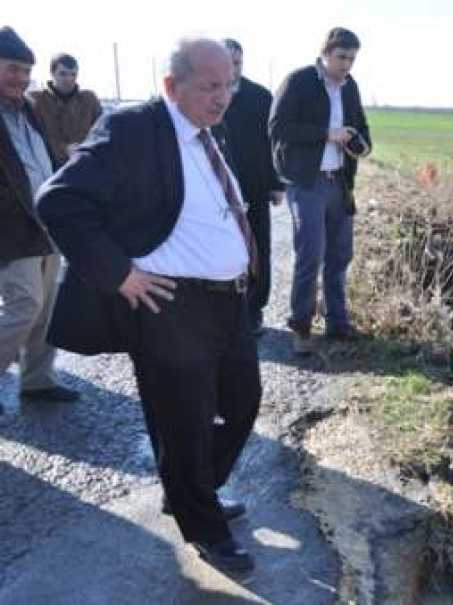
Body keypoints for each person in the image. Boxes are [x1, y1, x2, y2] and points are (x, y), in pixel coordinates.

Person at [37, 38, 260, 573]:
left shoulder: (207, 132)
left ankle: (191, 490)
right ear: (171, 85)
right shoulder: (136, 128)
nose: (223, 96)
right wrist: (119, 274)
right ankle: (203, 525)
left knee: (243, 402)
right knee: (183, 421)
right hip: (171, 305)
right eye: (210, 86)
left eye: (228, 84)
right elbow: (58, 200)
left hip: (228, 304)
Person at [269, 27, 371, 354]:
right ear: (325, 52)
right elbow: (278, 128)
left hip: (339, 182)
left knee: (340, 256)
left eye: (352, 58)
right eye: (342, 57)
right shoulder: (298, 81)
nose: (347, 65)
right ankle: (300, 326)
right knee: (310, 256)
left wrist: (362, 144)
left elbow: (361, 126)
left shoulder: (350, 86)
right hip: (307, 183)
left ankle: (338, 324)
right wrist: (328, 134)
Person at [0, 26, 80, 404]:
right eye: (11, 68)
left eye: (25, 70)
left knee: (48, 305)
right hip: (11, 229)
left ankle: (37, 379)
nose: (20, 77)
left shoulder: (29, 110)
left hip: (46, 222)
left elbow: (43, 160)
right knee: (25, 303)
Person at [214, 38, 282, 336]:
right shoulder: (207, 96)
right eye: (227, 62)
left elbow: (273, 143)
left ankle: (254, 309)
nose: (233, 69)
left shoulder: (259, 97)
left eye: (237, 62)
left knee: (258, 249)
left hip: (253, 186)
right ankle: (223, 311)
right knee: (221, 248)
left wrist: (276, 183)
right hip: (216, 188)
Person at [27, 52, 102, 168]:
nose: (69, 79)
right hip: (50, 168)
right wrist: (63, 149)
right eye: (63, 74)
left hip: (85, 165)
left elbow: (102, 132)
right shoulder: (35, 100)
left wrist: (85, 149)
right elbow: (31, 137)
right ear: (52, 73)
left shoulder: (89, 100)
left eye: (73, 74)